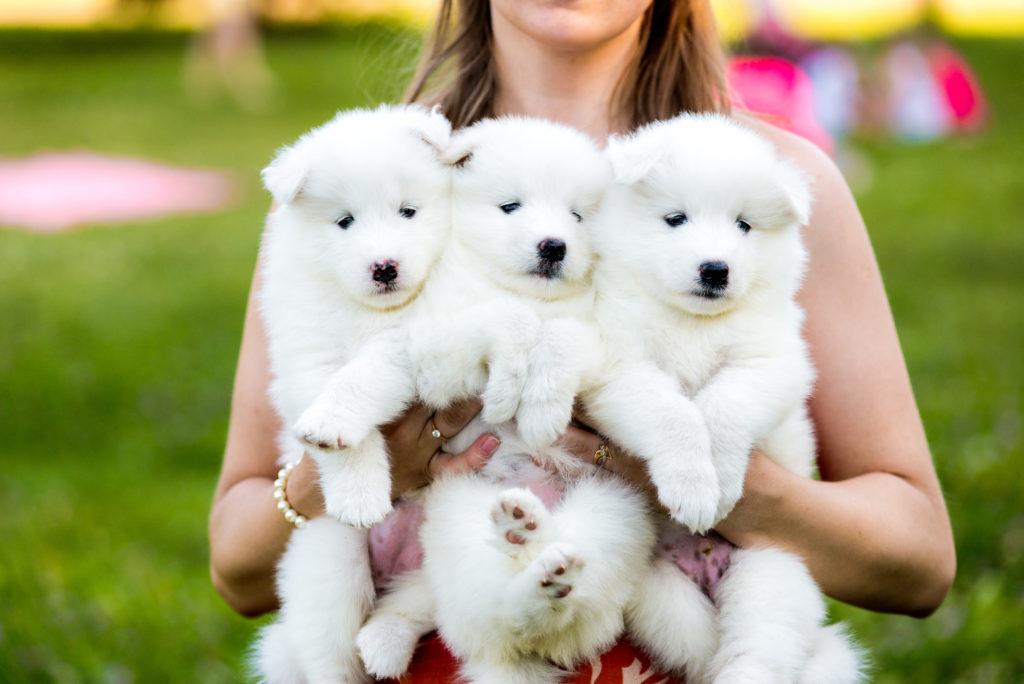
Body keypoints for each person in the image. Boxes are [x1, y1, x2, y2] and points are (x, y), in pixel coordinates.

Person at [209, 0, 956, 679]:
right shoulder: (367, 177)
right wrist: (351, 469)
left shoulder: (767, 188)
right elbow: (237, 568)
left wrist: (705, 476)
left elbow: (919, 563)